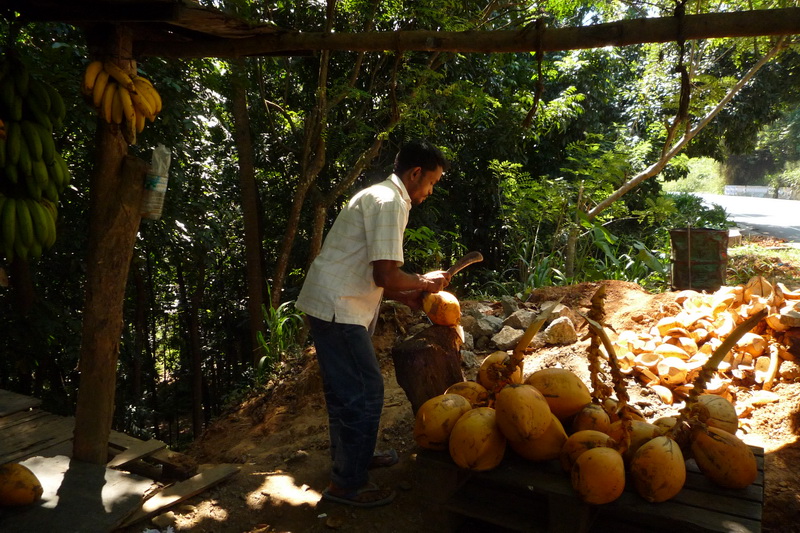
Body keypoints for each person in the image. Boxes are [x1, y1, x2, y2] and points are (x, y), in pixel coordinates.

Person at [296, 140, 451, 508]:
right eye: (431, 182)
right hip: (340, 308)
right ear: (415, 173)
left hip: (336, 302)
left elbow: (370, 271)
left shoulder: (379, 196)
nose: (430, 192)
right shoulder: (390, 202)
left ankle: (351, 461)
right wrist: (422, 283)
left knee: (345, 391)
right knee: (365, 391)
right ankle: (347, 484)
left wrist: (406, 294)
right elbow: (386, 274)